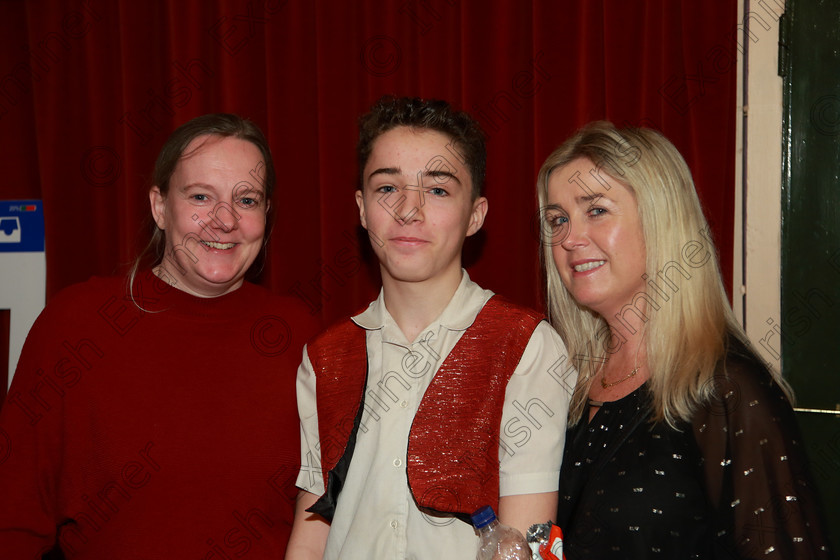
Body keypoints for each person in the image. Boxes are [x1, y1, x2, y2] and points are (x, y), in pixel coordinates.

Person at [0, 114, 320, 558]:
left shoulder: (299, 333)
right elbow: (12, 515)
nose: (224, 220)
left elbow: (325, 505)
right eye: (201, 196)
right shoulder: (75, 324)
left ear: (265, 213)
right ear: (160, 206)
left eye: (246, 200)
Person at [285, 96, 575, 559]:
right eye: (387, 188)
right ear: (361, 209)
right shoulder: (325, 356)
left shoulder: (524, 345)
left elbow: (526, 536)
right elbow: (317, 512)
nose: (407, 210)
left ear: (475, 215)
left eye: (438, 190)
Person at [537, 121, 832, 559]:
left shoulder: (729, 387)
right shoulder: (563, 378)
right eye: (557, 219)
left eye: (595, 210)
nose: (569, 239)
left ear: (661, 220)